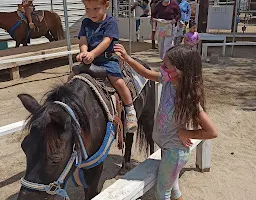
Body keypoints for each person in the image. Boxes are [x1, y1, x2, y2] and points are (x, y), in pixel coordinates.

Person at [114, 43, 218, 200]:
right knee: (174, 190)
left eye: (166, 66)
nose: (161, 67)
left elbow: (212, 131)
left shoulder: (187, 99)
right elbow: (146, 73)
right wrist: (127, 59)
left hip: (174, 153)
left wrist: (186, 132)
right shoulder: (167, 80)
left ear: (180, 72)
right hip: (167, 148)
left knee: (162, 193)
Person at [68, 0, 138, 133]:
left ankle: (130, 110)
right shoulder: (85, 22)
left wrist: (92, 53)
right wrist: (83, 52)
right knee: (72, 77)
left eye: (96, 8)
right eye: (87, 9)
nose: (91, 12)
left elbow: (107, 41)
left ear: (106, 6)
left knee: (118, 82)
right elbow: (83, 39)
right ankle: (67, 104)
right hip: (90, 58)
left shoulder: (110, 22)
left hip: (107, 59)